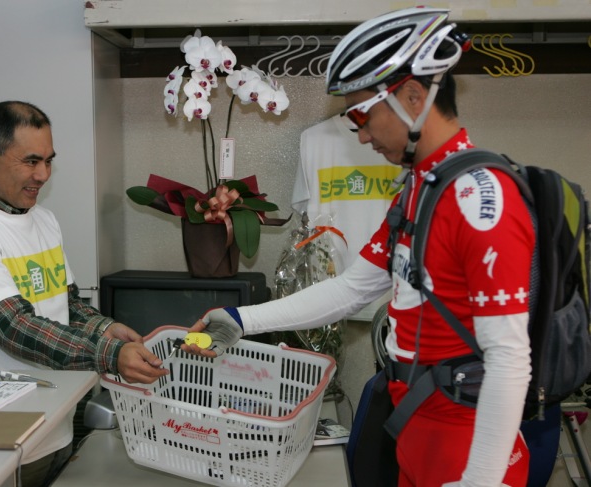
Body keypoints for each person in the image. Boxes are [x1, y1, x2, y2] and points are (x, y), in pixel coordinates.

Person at [183, 7, 534, 487]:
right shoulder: (420, 190)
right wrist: (241, 320)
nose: (362, 134)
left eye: (364, 116)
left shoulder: (479, 198)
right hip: (418, 424)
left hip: (469, 444)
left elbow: (510, 359)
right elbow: (351, 288)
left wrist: (482, 480)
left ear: (413, 96)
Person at [0, 100, 169, 486]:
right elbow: (14, 327)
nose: (43, 175)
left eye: (49, 161)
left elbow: (67, 304)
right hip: (1, 438)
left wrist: (104, 328)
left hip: (56, 419)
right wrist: (107, 353)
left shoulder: (43, 219)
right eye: (31, 161)